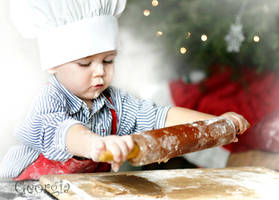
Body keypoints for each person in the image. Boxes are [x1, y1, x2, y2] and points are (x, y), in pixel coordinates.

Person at [0, 0, 249, 181]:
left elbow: (159, 116)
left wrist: (217, 123)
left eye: (108, 61)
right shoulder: (48, 100)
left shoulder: (115, 102)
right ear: (53, 65)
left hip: (79, 190)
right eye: (85, 63)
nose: (99, 72)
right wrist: (95, 144)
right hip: (24, 191)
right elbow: (63, 132)